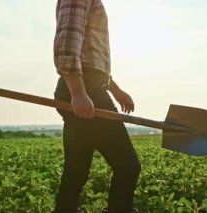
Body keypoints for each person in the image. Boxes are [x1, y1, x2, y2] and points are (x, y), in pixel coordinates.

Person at [53, 0, 141, 212]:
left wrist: (114, 89)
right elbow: (66, 45)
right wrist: (79, 93)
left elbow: (90, 56)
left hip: (85, 88)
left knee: (76, 170)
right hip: (85, 91)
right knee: (128, 166)